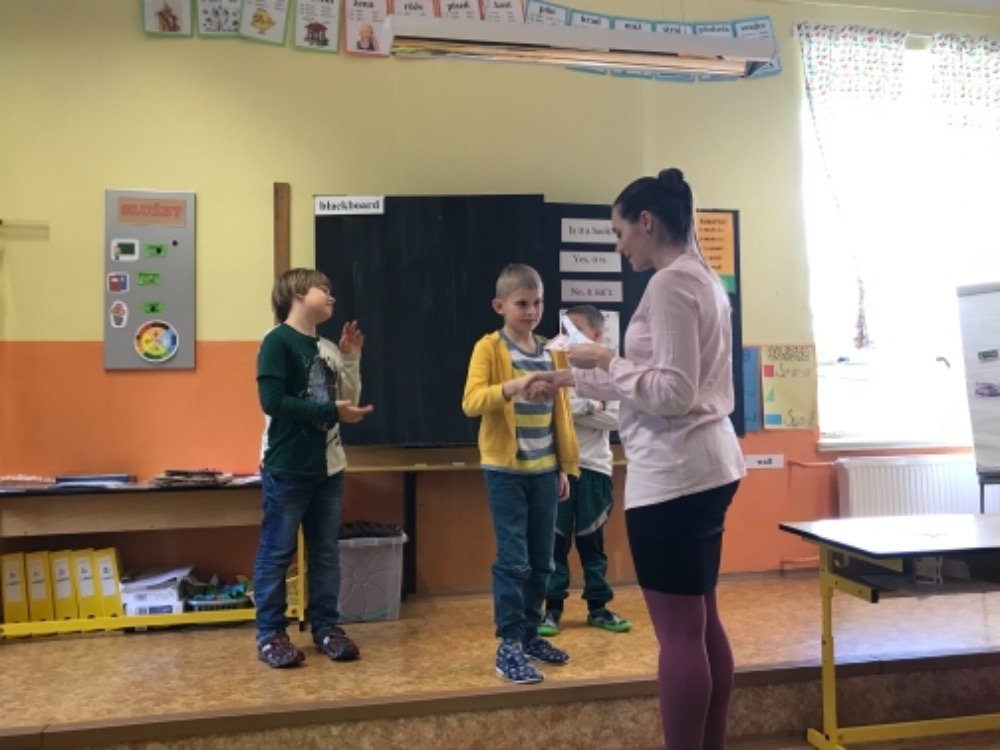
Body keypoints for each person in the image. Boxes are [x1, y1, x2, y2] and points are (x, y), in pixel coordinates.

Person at [536, 169, 745, 749]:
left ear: (647, 223)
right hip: (706, 467)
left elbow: (672, 393)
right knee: (701, 620)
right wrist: (565, 378)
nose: (618, 244)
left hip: (676, 475)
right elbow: (649, 383)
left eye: (620, 231)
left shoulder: (671, 285)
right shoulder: (702, 278)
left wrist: (604, 358)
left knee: (679, 635)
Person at [461, 263, 580, 684]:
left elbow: (561, 413)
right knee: (514, 561)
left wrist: (563, 466)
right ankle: (508, 646)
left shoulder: (552, 350)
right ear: (500, 306)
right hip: (505, 471)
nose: (531, 312)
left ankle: (530, 636)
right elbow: (472, 402)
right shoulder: (490, 348)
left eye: (537, 303)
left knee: (543, 560)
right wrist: (514, 386)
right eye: (522, 304)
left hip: (545, 471)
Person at [253, 267, 374, 669]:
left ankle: (326, 628)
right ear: (298, 293)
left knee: (325, 554)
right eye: (324, 288)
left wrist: (351, 357)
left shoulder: (327, 348)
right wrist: (328, 411)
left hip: (329, 468)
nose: (331, 295)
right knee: (276, 553)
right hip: (287, 467)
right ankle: (271, 635)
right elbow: (272, 401)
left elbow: (347, 401)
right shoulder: (277, 341)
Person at [538, 304, 631, 637]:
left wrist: (575, 407)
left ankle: (598, 608)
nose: (568, 337)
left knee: (593, 544)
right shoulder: (552, 363)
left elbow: (617, 418)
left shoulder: (613, 368)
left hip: (595, 469)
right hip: (558, 469)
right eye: (565, 330)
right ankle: (552, 610)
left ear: (596, 335)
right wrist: (594, 404)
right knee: (555, 544)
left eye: (576, 331)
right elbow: (549, 411)